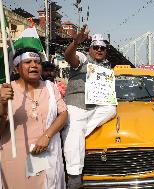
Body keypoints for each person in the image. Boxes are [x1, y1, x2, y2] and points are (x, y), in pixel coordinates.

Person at [0, 48, 68, 189]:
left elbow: (63, 113)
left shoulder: (50, 87)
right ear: (17, 68)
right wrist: (1, 104)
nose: (34, 65)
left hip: (44, 154)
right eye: (28, 62)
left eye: (37, 62)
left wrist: (47, 136)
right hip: (14, 157)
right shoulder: (5, 90)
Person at [62, 25, 116, 189]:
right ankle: (74, 176)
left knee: (112, 109)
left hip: (95, 107)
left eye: (102, 48)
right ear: (90, 48)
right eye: (96, 47)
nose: (99, 50)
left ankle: (76, 133)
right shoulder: (83, 58)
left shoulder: (107, 68)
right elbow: (69, 56)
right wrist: (75, 43)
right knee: (75, 127)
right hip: (77, 104)